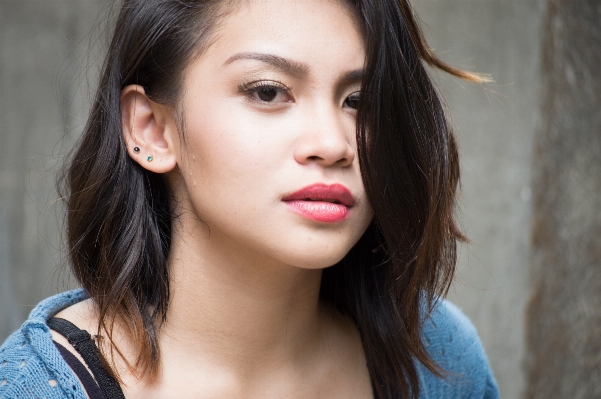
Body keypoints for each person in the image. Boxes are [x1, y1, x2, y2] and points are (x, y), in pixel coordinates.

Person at [0, 0, 499, 398]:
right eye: (267, 92)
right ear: (152, 129)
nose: (331, 144)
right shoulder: (36, 388)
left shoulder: (438, 358)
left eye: (360, 101)